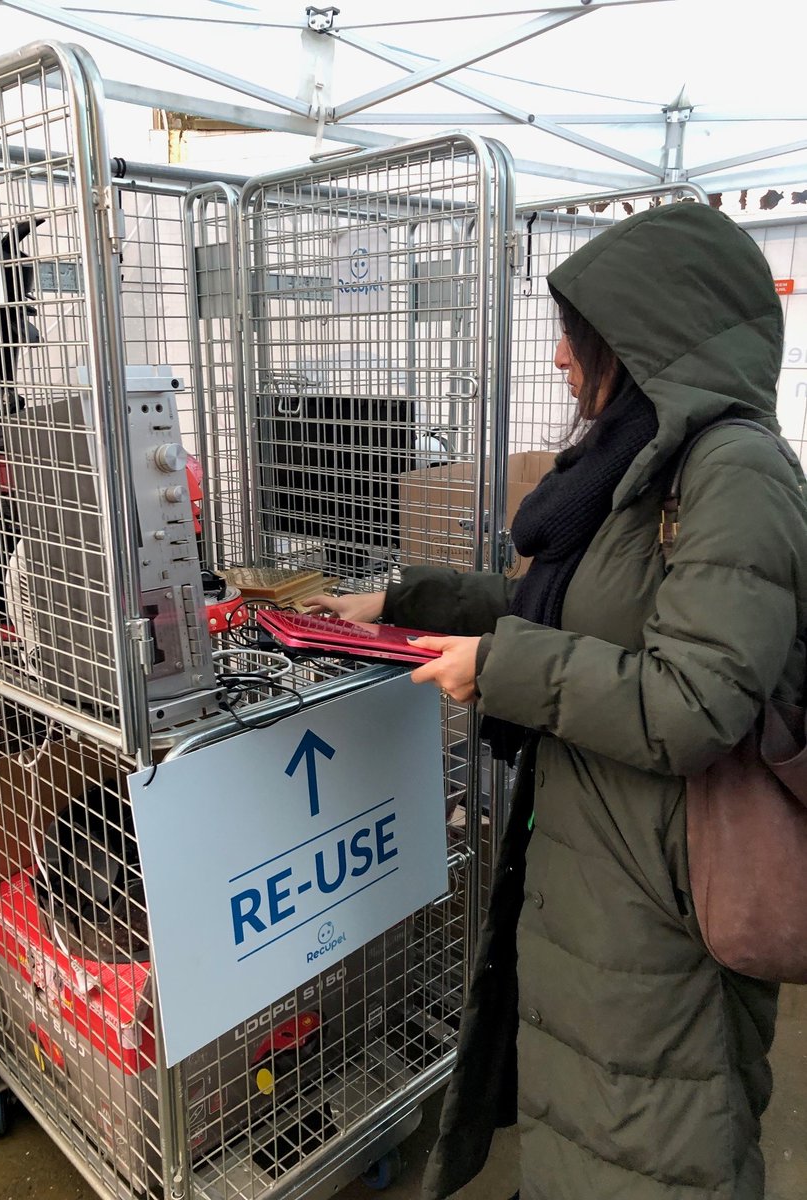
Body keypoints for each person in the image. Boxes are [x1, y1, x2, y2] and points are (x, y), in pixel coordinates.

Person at [305, 201, 807, 1200]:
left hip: (666, 892)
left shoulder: (736, 473)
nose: (561, 364)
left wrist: (499, 669)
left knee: (657, 1140)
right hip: (593, 862)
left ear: (647, 342)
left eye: (578, 341)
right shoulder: (640, 467)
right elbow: (569, 609)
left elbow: (690, 705)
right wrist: (399, 601)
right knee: (585, 1119)